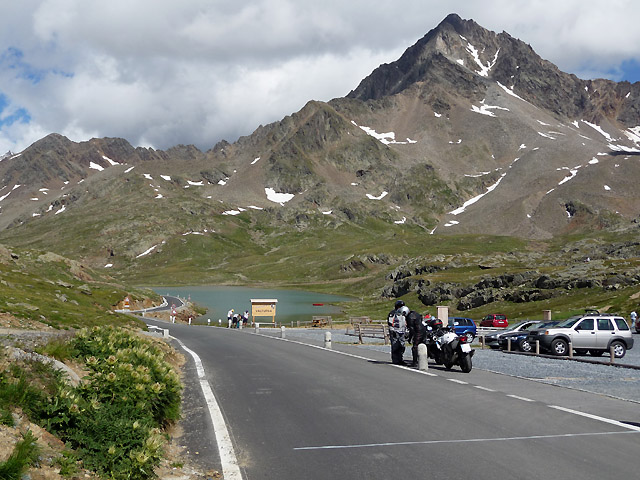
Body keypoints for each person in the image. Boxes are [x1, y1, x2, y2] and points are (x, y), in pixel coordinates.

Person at [387, 300, 408, 365]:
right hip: (395, 331)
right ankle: (395, 360)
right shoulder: (393, 313)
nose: (401, 307)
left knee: (402, 346)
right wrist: (392, 331)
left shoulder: (404, 313)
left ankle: (400, 359)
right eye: (400, 306)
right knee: (395, 345)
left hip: (402, 331)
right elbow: (390, 323)